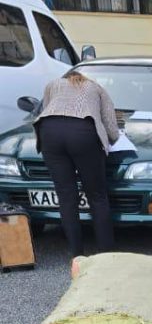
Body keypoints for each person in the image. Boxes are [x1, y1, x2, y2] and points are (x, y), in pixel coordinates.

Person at [33, 67, 120, 258]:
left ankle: (77, 255)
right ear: (85, 79)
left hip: (49, 132)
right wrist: (112, 140)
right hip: (83, 133)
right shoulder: (97, 89)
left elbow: (47, 109)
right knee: (97, 195)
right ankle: (106, 254)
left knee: (66, 197)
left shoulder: (53, 85)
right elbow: (112, 129)